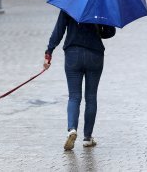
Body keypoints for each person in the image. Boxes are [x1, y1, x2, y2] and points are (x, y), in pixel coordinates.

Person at [43, 10, 116, 150]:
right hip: (94, 55)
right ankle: (88, 138)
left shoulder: (69, 4)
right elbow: (110, 32)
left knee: (74, 96)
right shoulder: (101, 5)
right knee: (91, 96)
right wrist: (97, 30)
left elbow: (58, 30)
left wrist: (49, 52)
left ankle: (72, 129)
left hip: (73, 54)